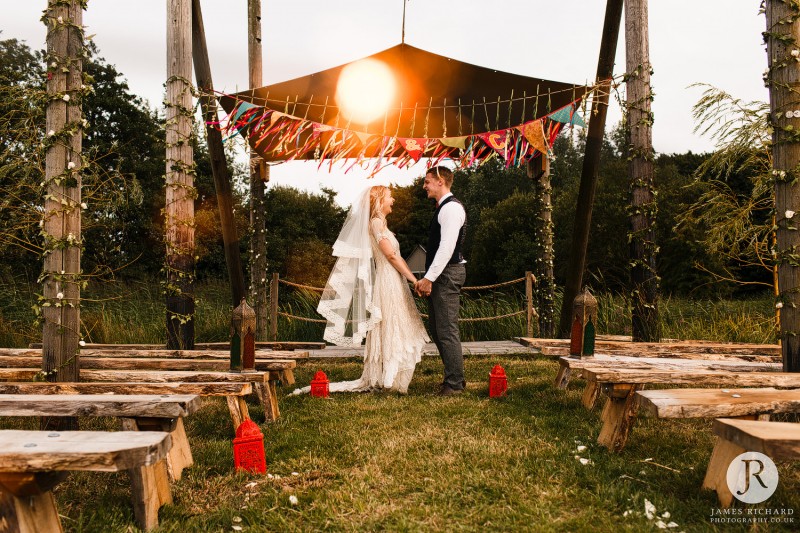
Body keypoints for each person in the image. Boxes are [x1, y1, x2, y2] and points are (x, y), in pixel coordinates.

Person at [292, 185, 429, 395]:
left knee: (397, 323)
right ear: (379, 201)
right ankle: (388, 375)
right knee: (392, 322)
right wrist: (413, 280)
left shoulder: (383, 224)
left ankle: (391, 374)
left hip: (394, 278)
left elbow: (397, 256)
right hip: (387, 279)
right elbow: (391, 256)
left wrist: (412, 279)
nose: (393, 200)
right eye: (390, 197)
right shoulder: (375, 223)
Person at [414, 166, 467, 396]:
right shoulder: (442, 208)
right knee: (438, 329)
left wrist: (428, 279)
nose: (424, 185)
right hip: (443, 274)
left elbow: (446, 249)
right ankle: (452, 378)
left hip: (448, 273)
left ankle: (455, 385)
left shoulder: (452, 208)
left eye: (427, 181)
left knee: (446, 330)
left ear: (440, 181)